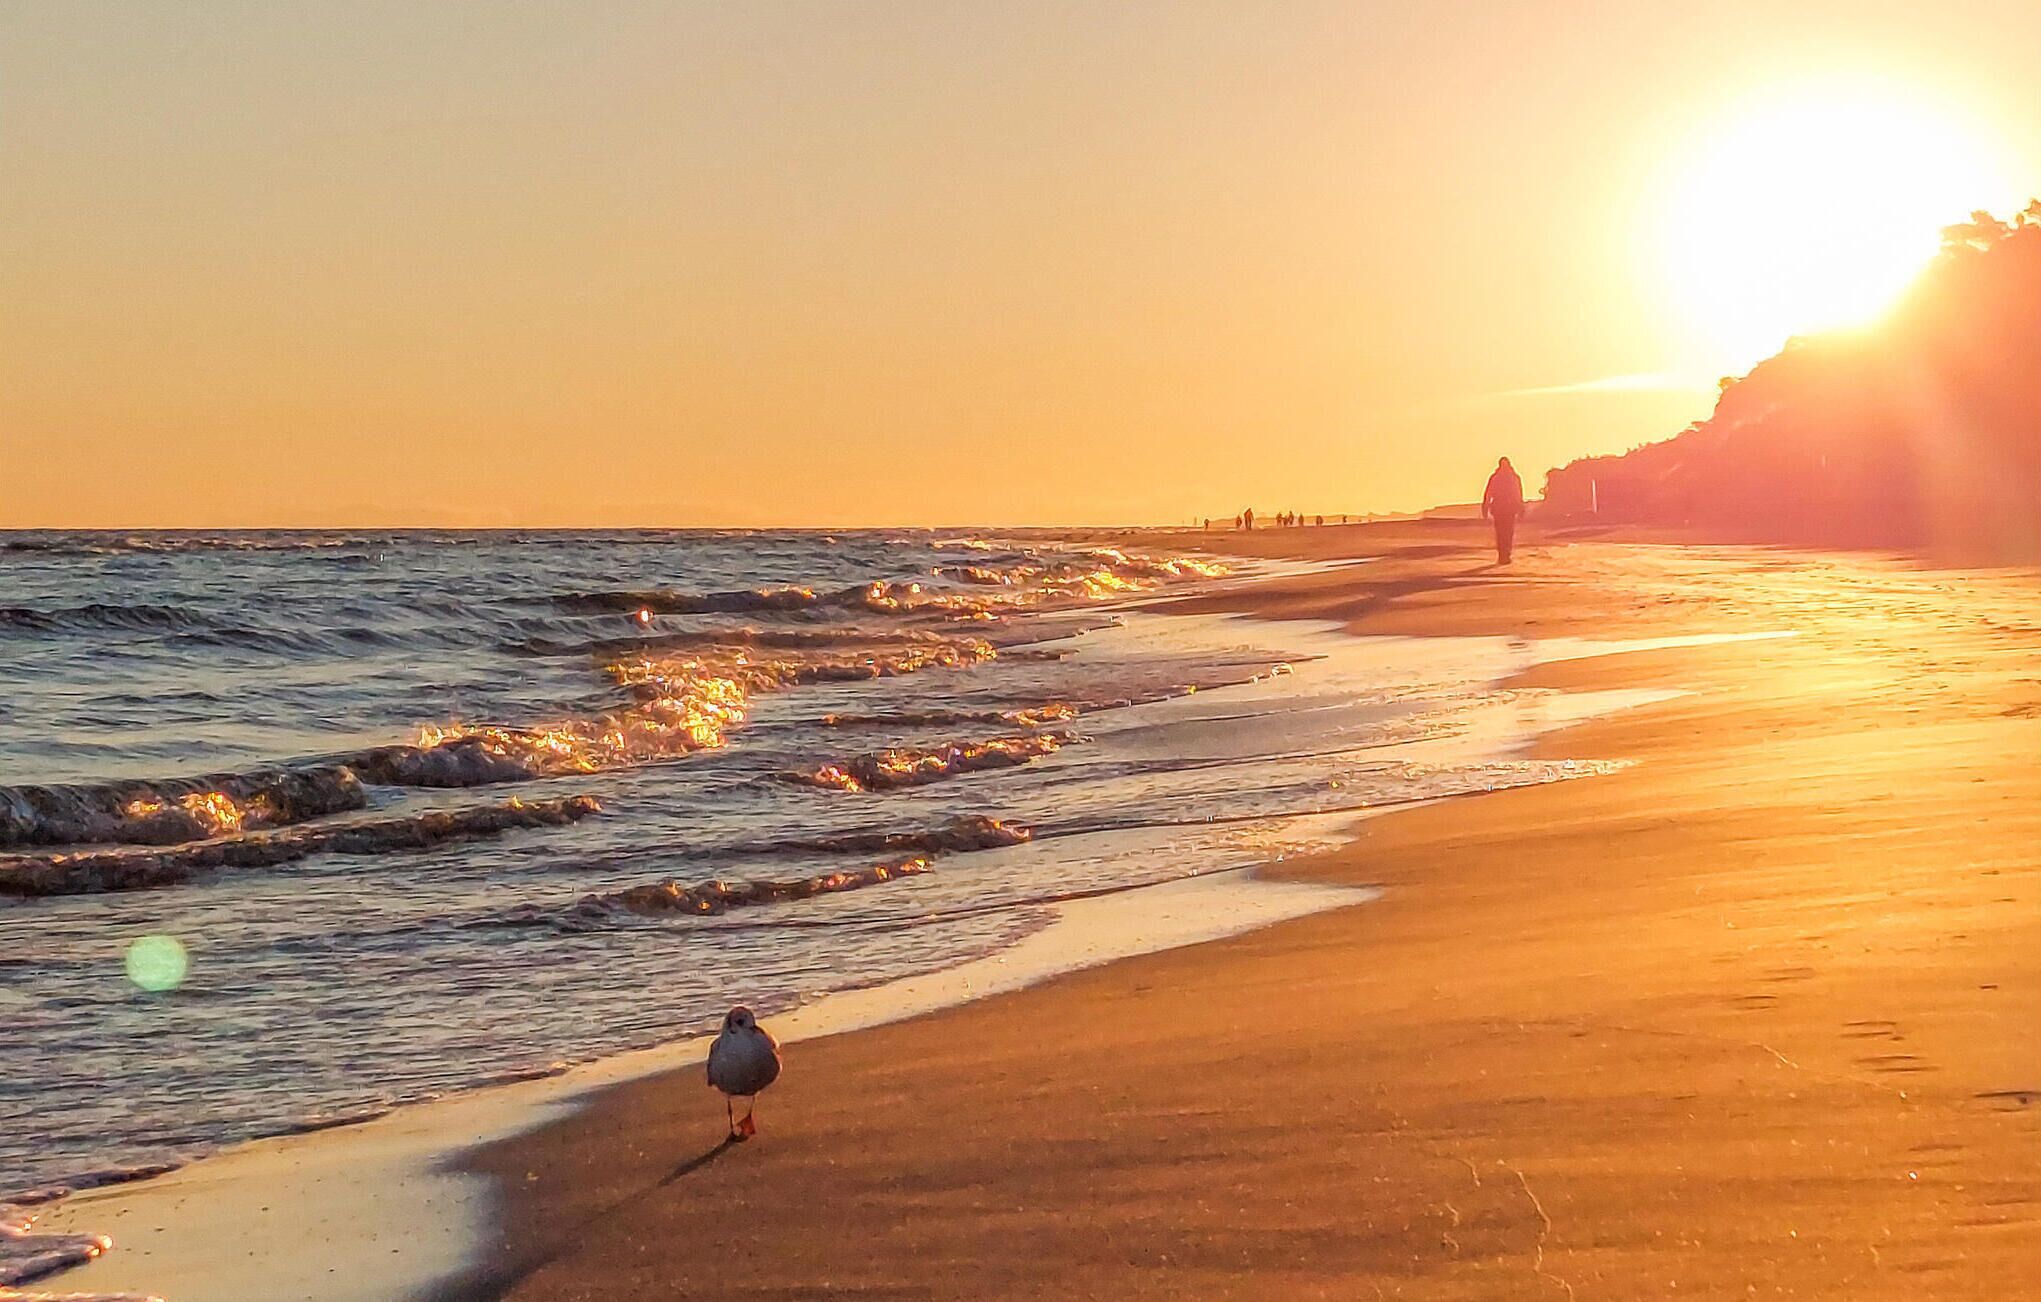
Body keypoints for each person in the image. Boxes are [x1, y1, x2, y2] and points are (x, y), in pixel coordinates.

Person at [1481, 456, 1525, 564]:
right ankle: (1504, 554)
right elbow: (1489, 493)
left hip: (1504, 509)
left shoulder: (1505, 477)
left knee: (1504, 533)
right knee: (1504, 532)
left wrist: (1485, 508)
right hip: (1503, 509)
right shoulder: (1510, 477)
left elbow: (1518, 494)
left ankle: (1504, 554)